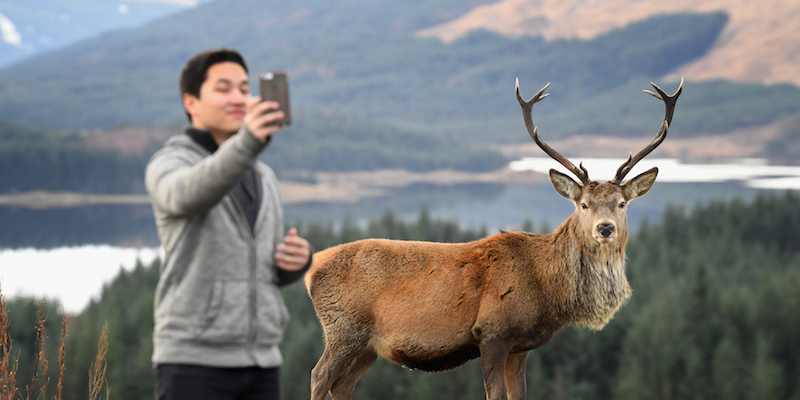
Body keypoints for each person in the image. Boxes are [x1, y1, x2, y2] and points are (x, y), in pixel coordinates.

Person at [145, 48, 312, 400]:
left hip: (263, 361)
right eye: (223, 89)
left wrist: (295, 264)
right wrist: (248, 142)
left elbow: (257, 269)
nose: (238, 98)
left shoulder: (264, 176)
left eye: (243, 88)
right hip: (192, 363)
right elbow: (187, 194)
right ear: (191, 101)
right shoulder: (168, 163)